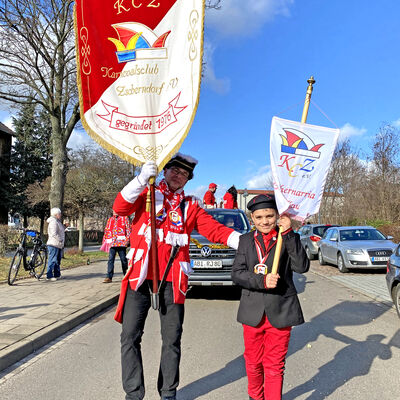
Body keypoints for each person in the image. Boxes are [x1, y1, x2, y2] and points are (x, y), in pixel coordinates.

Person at [113, 153, 240, 400]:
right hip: (140, 276)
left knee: (171, 340)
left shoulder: (190, 206)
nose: (178, 176)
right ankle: (133, 393)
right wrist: (140, 179)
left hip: (172, 279)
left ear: (187, 180)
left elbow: (214, 229)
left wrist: (242, 240)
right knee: (129, 336)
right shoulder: (146, 194)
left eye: (184, 174)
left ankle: (168, 392)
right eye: (174, 170)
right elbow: (120, 208)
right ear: (165, 171)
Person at [231, 194, 309, 400]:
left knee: (274, 365)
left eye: (269, 216)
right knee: (253, 362)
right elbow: (237, 274)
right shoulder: (245, 240)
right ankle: (255, 397)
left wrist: (290, 232)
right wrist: (262, 280)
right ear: (252, 219)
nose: (265, 221)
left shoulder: (288, 237)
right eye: (259, 217)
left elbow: (302, 267)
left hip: (281, 311)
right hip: (252, 312)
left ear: (277, 216)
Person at [102, 210, 131, 283]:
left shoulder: (125, 218)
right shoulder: (110, 220)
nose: (114, 212)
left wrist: (127, 240)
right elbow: (107, 230)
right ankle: (109, 277)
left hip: (121, 243)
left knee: (123, 260)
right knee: (110, 260)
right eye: (113, 211)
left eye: (116, 210)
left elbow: (128, 230)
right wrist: (105, 240)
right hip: (112, 243)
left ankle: (126, 275)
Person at [46, 207, 65, 281]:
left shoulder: (57, 221)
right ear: (56, 214)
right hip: (54, 244)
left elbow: (60, 230)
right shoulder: (53, 222)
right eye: (59, 213)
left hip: (57, 244)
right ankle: (49, 275)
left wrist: (64, 227)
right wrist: (60, 239)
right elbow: (54, 233)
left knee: (57, 260)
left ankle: (57, 274)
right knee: (52, 260)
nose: (60, 215)